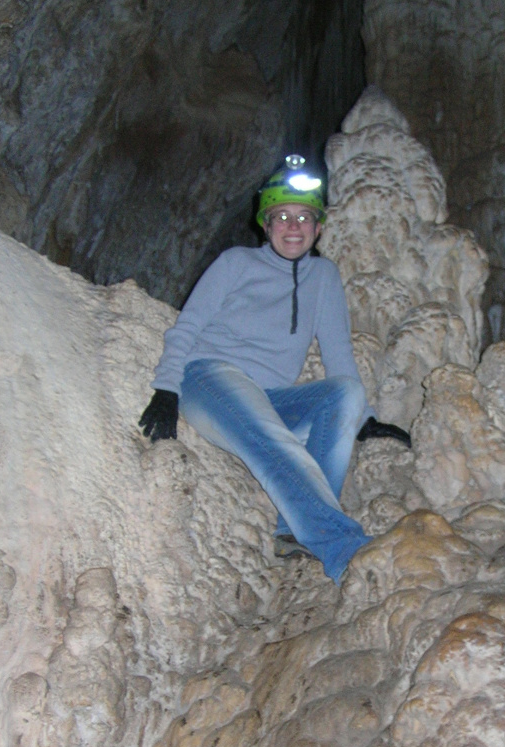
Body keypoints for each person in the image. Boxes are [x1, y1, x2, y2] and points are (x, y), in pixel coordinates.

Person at [139, 155, 411, 583]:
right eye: (282, 216)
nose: (293, 226)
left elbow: (339, 352)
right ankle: (346, 552)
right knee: (274, 441)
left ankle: (293, 532)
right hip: (210, 379)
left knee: (345, 393)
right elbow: (187, 326)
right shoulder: (235, 264)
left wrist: (366, 421)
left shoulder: (323, 276)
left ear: (319, 228)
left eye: (304, 218)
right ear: (265, 225)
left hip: (267, 398)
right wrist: (166, 387)